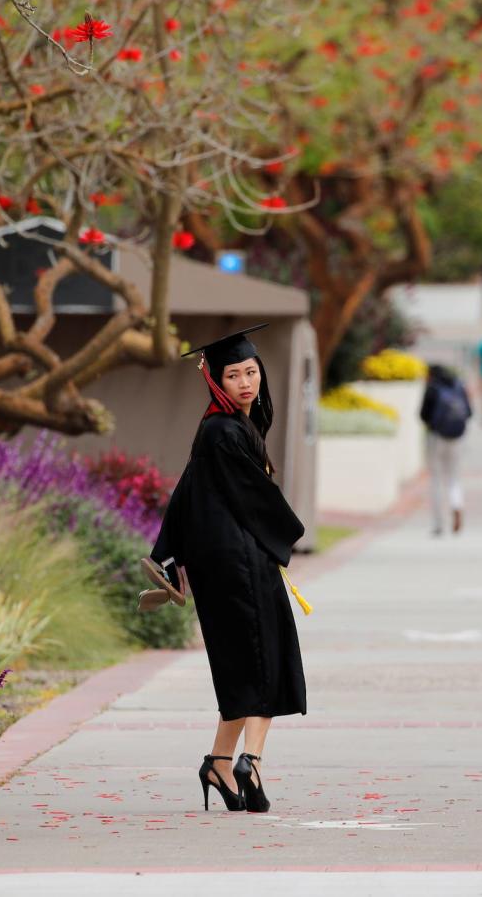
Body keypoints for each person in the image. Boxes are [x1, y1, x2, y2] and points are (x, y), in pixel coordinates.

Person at [140, 323, 306, 814]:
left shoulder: (217, 428)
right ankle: (250, 762)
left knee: (240, 667)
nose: (245, 382)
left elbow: (184, 494)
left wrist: (169, 555)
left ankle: (218, 761)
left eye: (251, 371)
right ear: (215, 380)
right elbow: (260, 501)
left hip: (223, 568)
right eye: (232, 375)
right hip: (241, 565)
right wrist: (286, 536)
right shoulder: (226, 432)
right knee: (266, 664)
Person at [420, 363, 472, 536]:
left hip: (436, 438)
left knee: (436, 479)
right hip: (457, 438)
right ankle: (456, 504)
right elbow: (469, 413)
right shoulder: (458, 386)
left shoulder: (432, 389)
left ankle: (438, 524)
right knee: (454, 478)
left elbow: (422, 415)